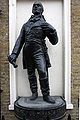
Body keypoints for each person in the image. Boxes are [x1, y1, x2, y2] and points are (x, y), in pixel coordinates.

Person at [8, 1, 58, 103]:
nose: (35, 7)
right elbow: (20, 40)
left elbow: (54, 42)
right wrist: (14, 55)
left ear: (41, 10)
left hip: (39, 50)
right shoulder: (26, 25)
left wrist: (53, 32)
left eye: (38, 5)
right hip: (27, 51)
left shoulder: (44, 24)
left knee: (42, 72)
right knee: (30, 73)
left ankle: (46, 94)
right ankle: (34, 92)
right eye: (34, 6)